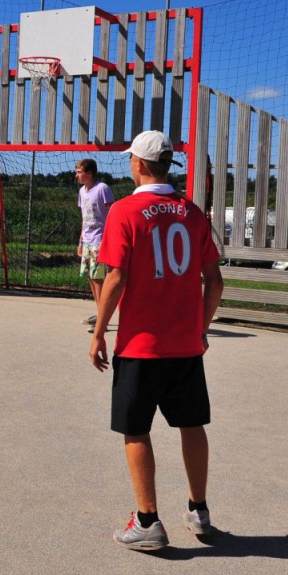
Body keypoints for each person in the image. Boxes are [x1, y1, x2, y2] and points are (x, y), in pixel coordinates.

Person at [89, 131, 224, 550]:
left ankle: (148, 520)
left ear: (140, 165)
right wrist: (200, 328)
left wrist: (98, 332)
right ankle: (198, 510)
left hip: (141, 346)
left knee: (135, 430)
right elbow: (215, 283)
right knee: (191, 425)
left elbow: (115, 277)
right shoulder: (193, 212)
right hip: (185, 345)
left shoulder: (125, 211)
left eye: (131, 159)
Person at [75, 158, 115, 331]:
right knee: (91, 278)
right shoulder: (82, 192)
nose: (77, 175)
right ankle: (100, 314)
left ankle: (102, 321)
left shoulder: (102, 189)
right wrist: (81, 241)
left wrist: (112, 237)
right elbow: (84, 218)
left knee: (99, 279)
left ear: (89, 173)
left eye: (79, 171)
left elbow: (113, 214)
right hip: (87, 241)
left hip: (100, 240)